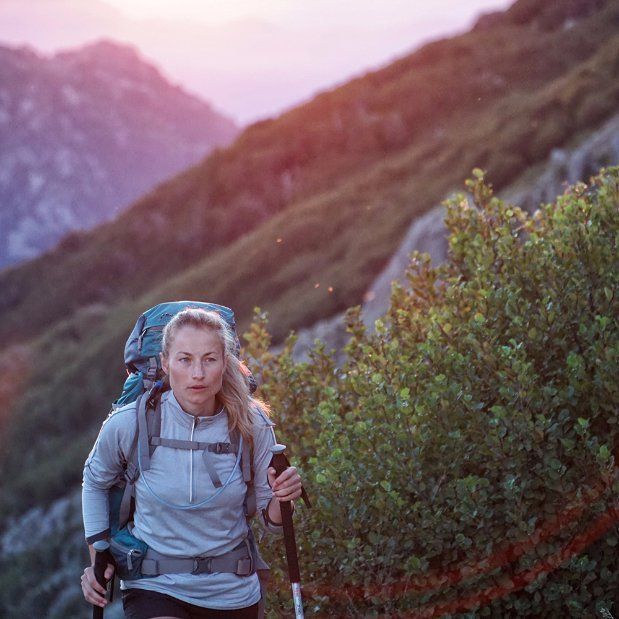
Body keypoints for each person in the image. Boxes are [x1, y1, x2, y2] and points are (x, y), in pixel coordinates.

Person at [81, 307, 303, 619]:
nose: (197, 373)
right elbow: (94, 481)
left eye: (209, 359)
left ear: (224, 364)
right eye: (185, 359)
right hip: (154, 586)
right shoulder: (131, 423)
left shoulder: (252, 424)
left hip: (233, 592)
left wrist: (284, 498)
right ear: (165, 363)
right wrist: (98, 556)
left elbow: (273, 523)